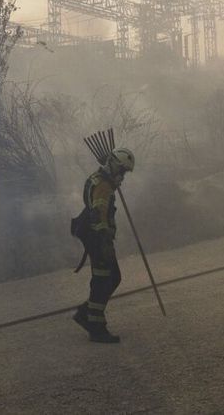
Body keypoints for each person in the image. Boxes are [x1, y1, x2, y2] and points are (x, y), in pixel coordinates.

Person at [73, 147, 135, 343]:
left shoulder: (101, 179)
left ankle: (87, 312)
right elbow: (99, 214)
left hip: (96, 236)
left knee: (113, 277)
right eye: (122, 171)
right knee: (103, 280)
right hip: (97, 237)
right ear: (114, 166)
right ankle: (96, 327)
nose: (123, 177)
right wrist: (104, 241)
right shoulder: (103, 186)